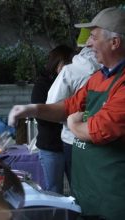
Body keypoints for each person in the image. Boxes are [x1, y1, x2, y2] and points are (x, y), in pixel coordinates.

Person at [8, 7, 125, 219]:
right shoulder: (98, 78)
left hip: (113, 197)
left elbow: (98, 130)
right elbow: (68, 106)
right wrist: (32, 109)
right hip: (89, 193)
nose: (88, 44)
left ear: (114, 43)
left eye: (93, 37)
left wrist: (72, 124)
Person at [46, 30, 101, 186]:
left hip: (73, 140)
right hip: (104, 140)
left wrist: (72, 121)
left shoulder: (71, 71)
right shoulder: (109, 71)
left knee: (79, 189)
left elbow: (52, 105)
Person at [31, 45, 74, 194]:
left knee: (77, 190)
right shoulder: (42, 83)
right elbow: (40, 115)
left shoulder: (73, 80)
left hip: (71, 144)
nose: (69, 67)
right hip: (50, 146)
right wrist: (65, 117)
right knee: (53, 192)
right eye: (66, 63)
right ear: (57, 62)